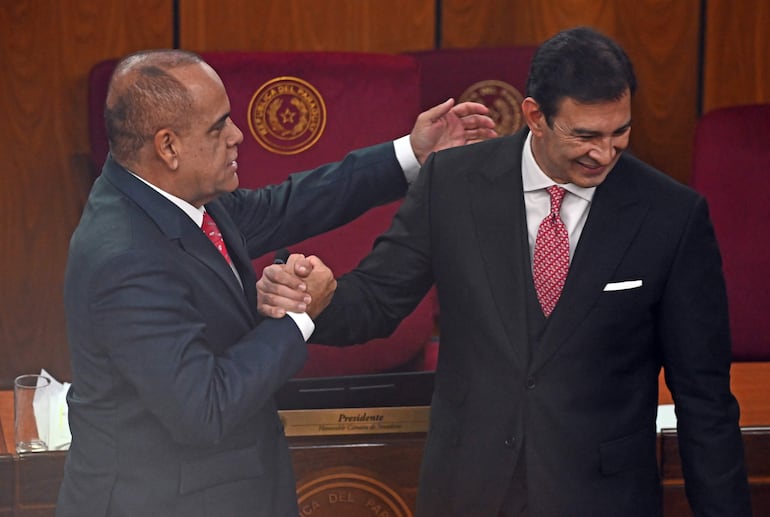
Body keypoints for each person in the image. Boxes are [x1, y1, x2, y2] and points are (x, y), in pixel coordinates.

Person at [257, 27, 752, 516]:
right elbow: (380, 301)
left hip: (602, 496)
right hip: (467, 488)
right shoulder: (452, 182)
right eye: (584, 135)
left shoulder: (671, 215)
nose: (604, 153)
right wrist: (318, 300)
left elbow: (704, 398)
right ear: (535, 115)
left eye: (619, 131)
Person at [55, 48, 496, 517]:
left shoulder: (174, 198)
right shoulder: (125, 257)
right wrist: (299, 315)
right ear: (168, 146)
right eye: (218, 126)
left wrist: (410, 153)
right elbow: (205, 410)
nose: (237, 136)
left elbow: (289, 204)